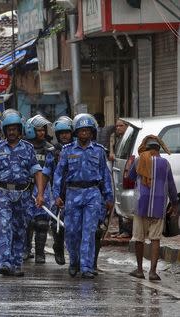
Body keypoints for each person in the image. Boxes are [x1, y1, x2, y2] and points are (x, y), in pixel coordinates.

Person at [53, 113, 113, 279]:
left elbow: (105, 175)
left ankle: (86, 266)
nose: (84, 133)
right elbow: (59, 174)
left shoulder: (99, 151)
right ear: (76, 133)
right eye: (81, 131)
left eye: (87, 131)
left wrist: (108, 197)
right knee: (72, 231)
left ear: (92, 132)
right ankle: (74, 261)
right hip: (73, 193)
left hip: (93, 194)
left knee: (89, 231)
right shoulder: (67, 151)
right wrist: (57, 195)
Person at [0, 110, 45, 276]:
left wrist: (40, 194)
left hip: (23, 194)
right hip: (3, 193)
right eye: (8, 129)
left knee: (20, 228)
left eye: (14, 129)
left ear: (20, 130)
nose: (11, 132)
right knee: (4, 226)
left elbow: (37, 172)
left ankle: (16, 262)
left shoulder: (28, 149)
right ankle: (4, 262)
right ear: (4, 130)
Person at [128, 135, 178, 281]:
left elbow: (131, 177)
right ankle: (153, 272)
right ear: (158, 149)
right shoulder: (165, 164)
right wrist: (175, 204)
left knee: (139, 238)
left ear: (147, 149)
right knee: (155, 239)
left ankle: (139, 270)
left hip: (140, 206)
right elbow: (171, 187)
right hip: (159, 206)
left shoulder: (139, 160)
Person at [24, 114, 55, 264]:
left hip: (43, 187)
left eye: (43, 130)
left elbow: (51, 169)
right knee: (27, 221)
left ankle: (40, 253)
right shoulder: (23, 147)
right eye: (38, 130)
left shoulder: (49, 148)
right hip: (26, 187)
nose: (42, 132)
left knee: (42, 222)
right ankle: (25, 249)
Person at [51, 116, 74, 265]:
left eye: (67, 132)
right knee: (56, 224)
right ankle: (58, 247)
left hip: (76, 193)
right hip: (58, 193)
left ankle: (76, 259)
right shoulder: (52, 152)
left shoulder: (78, 150)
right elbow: (46, 173)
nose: (64, 135)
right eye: (61, 133)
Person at [110, 119, 132, 238]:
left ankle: (127, 230)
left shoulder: (130, 140)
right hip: (117, 173)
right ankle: (121, 229)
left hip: (125, 173)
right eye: (117, 126)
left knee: (124, 201)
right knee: (118, 201)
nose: (118, 128)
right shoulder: (119, 140)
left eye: (121, 126)